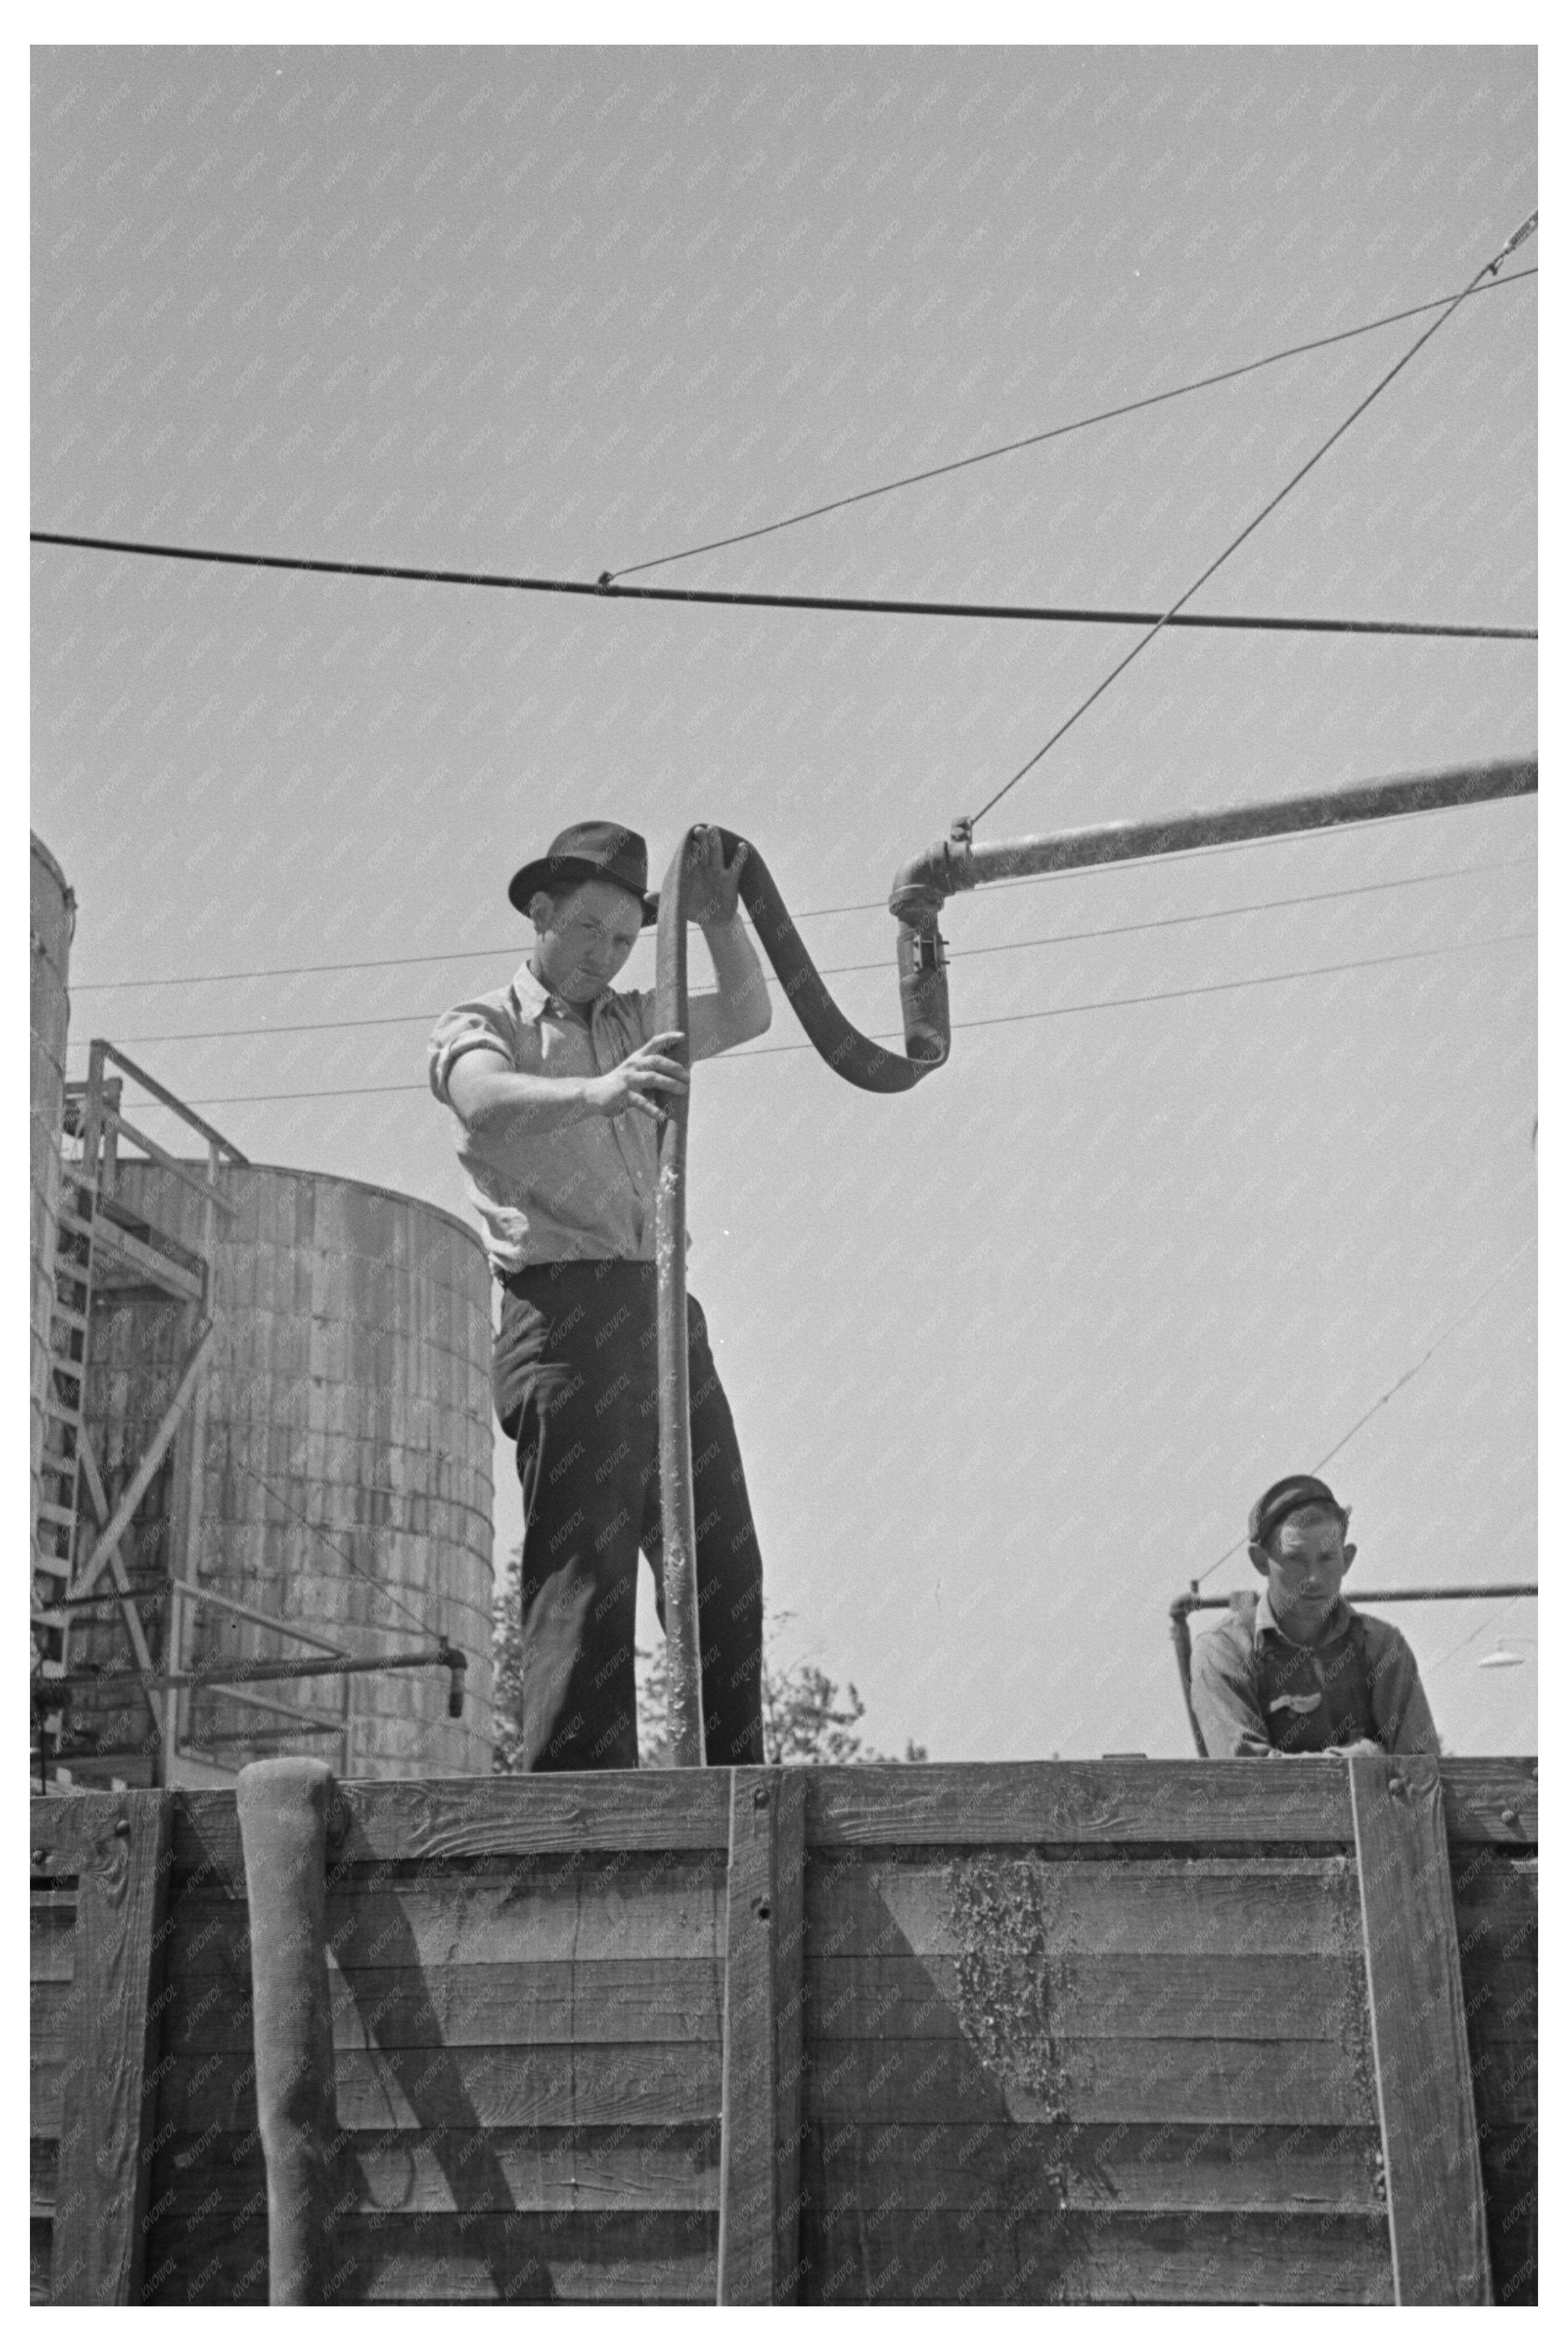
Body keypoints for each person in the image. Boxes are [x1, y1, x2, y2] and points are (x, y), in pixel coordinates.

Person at [428, 819, 771, 1771]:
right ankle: (580, 1820)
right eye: (586, 932)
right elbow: (483, 1101)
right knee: (586, 1576)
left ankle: (737, 1783)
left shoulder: (633, 1014)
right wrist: (600, 1091)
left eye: (623, 941)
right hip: (562, 1315)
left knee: (721, 1561)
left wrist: (716, 921)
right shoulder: (483, 1021)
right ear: (539, 914)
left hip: (658, 1310)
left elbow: (747, 1010)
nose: (604, 957)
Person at [1190, 1474, 1441, 1758]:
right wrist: (1361, 1759)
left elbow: (1420, 1772)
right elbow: (1247, 1780)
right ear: (1261, 1562)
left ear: (1347, 1560)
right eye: (1295, 1560)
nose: (1313, 1578)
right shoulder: (1224, 1652)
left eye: (1327, 1559)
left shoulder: (1382, 1647)